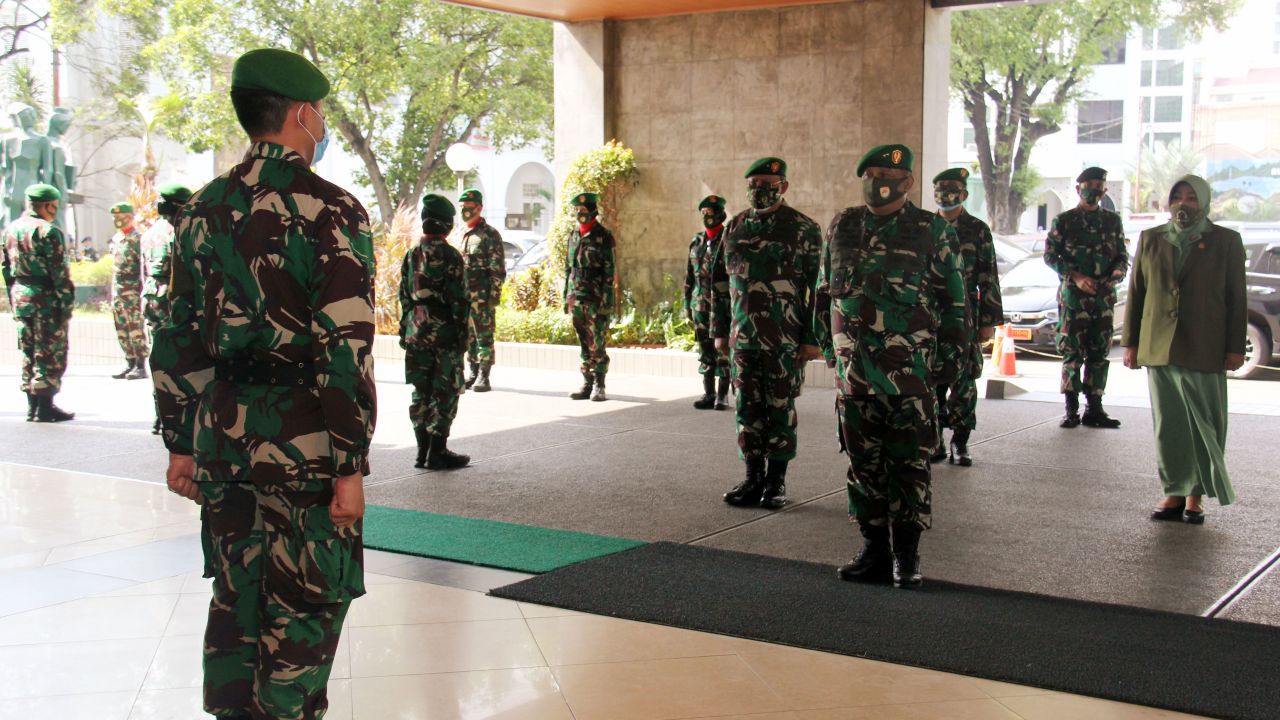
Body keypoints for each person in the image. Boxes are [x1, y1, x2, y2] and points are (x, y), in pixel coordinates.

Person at [151, 48, 375, 720]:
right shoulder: (331, 209)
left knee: (237, 605)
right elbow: (344, 347)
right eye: (321, 112)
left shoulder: (201, 209)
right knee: (303, 613)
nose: (322, 122)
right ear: (301, 114)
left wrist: (180, 442)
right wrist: (349, 462)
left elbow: (177, 336)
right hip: (305, 451)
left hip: (224, 444)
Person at [816, 144, 969, 589]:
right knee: (864, 466)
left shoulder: (931, 230)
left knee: (910, 466)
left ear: (909, 183)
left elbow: (954, 300)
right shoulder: (843, 225)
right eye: (871, 172)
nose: (877, 180)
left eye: (887, 173)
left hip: (910, 375)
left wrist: (952, 359)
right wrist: (827, 349)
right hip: (856, 375)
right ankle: (874, 550)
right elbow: (825, 292)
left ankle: (907, 556)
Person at [1122, 175, 1246, 525]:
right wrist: (1130, 342)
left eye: (1191, 197)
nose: (1183, 203)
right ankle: (1174, 490)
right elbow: (1137, 293)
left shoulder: (1226, 241)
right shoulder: (1151, 238)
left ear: (1204, 201)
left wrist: (1235, 348)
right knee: (1169, 424)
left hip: (1205, 345)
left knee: (1204, 423)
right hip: (1159, 346)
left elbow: (1238, 299)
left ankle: (1196, 496)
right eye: (1177, 196)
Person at [712, 157, 823, 510]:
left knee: (779, 409)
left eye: (767, 184)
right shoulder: (736, 227)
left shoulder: (803, 229)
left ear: (783, 187)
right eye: (754, 184)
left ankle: (775, 483)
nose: (759, 190)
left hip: (784, 339)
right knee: (747, 410)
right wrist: (719, 330)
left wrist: (812, 337)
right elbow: (718, 283)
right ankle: (752, 479)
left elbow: (818, 289)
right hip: (742, 339)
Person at [1044, 166, 1128, 429]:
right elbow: (1049, 256)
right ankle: (1071, 410)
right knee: (1072, 352)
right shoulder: (1064, 221)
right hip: (1074, 298)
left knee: (1099, 352)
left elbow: (1123, 257)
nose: (1093, 190)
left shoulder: (1112, 221)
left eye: (1098, 185)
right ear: (1078, 189)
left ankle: (1095, 408)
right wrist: (1076, 276)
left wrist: (1116, 273)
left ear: (1104, 190)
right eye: (1088, 185)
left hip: (1103, 298)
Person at [930, 168, 1002, 466]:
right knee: (930, 380)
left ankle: (960, 442)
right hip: (930, 315)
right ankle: (933, 440)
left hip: (964, 317)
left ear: (964, 194)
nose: (945, 194)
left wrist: (988, 322)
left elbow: (988, 276)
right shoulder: (926, 226)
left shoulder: (977, 229)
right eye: (940, 189)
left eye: (952, 189)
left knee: (964, 380)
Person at [401, 193, 471, 470]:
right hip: (444, 334)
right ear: (447, 225)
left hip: (416, 331)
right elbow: (459, 300)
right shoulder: (451, 255)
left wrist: (405, 329)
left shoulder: (411, 255)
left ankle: (422, 451)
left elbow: (404, 295)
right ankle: (437, 451)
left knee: (421, 390)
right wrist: (463, 337)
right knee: (445, 391)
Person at [2, 183, 75, 422]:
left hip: (21, 294)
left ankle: (31, 406)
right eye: (53, 206)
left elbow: (6, 269)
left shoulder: (10, 230)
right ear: (47, 205)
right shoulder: (48, 231)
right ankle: (45, 406)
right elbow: (59, 272)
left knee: (28, 349)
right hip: (45, 298)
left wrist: (13, 294)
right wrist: (66, 303)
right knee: (49, 351)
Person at [141, 182, 192, 434]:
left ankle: (158, 416)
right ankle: (174, 417)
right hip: (174, 302)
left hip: (151, 300)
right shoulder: (180, 231)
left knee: (157, 358)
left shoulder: (149, 234)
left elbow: (144, 272)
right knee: (178, 361)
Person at [563, 191, 616, 401]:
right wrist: (565, 296)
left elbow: (609, 271)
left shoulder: (604, 236)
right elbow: (569, 268)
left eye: (584, 210)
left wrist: (606, 300)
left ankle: (599, 384)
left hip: (595, 297)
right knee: (583, 341)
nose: (580, 213)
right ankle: (586, 383)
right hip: (576, 296)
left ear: (593, 210)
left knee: (597, 341)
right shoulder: (573, 235)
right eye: (577, 210)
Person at [683, 193, 730, 410]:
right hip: (699, 305)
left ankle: (722, 395)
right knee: (704, 350)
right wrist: (687, 305)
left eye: (711, 212)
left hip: (723, 306)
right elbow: (689, 277)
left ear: (721, 213)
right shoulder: (697, 241)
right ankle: (708, 393)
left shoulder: (729, 239)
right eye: (704, 213)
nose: (707, 216)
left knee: (723, 350)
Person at [457, 187, 504, 393]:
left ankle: (484, 375)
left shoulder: (490, 234)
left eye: (470, 206)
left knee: (484, 335)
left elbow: (497, 268)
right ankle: (474, 372)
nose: (466, 210)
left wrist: (494, 295)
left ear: (479, 208)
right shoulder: (463, 233)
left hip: (482, 295)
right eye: (463, 207)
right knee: (469, 336)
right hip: (465, 295)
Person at [108, 202, 148, 380]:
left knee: (135, 328)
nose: (117, 220)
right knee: (121, 328)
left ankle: (140, 365)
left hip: (132, 291)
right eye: (115, 217)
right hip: (118, 291)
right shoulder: (116, 239)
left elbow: (143, 267)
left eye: (121, 217)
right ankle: (129, 362)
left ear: (130, 217)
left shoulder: (139, 238)